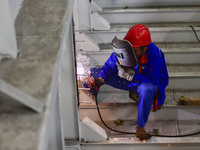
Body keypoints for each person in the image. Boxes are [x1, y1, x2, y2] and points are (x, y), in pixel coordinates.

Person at [90, 24, 169, 141]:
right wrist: (101, 79)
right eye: (130, 48)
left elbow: (155, 80)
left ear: (144, 48)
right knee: (96, 72)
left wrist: (133, 76)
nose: (131, 51)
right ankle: (133, 92)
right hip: (130, 80)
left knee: (146, 89)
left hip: (148, 83)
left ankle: (140, 127)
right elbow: (109, 64)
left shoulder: (154, 54)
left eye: (135, 50)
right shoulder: (127, 48)